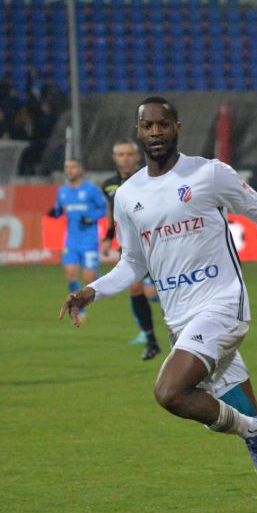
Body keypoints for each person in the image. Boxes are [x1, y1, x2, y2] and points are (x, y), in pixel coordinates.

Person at [59, 97, 257, 513]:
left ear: (177, 127)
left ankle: (253, 432)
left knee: (169, 391)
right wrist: (91, 291)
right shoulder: (128, 196)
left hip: (222, 305)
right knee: (251, 418)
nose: (156, 132)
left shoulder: (208, 173)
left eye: (163, 124)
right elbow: (132, 264)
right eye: (148, 126)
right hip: (183, 321)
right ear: (138, 132)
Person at [102, 138, 162, 360]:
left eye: (129, 154)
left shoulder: (151, 179)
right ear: (115, 158)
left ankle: (184, 337)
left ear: (137, 157)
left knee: (160, 291)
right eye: (121, 155)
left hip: (157, 243)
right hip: (130, 247)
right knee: (135, 290)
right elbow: (112, 213)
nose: (125, 159)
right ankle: (151, 340)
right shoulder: (109, 185)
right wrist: (108, 237)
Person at [46, 158, 108, 309]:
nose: (69, 170)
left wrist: (91, 218)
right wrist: (54, 213)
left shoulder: (91, 189)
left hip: (88, 240)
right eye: (67, 167)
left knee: (89, 279)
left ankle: (98, 277)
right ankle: (77, 306)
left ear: (80, 170)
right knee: (71, 274)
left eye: (73, 167)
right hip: (71, 241)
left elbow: (104, 208)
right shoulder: (62, 191)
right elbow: (59, 209)